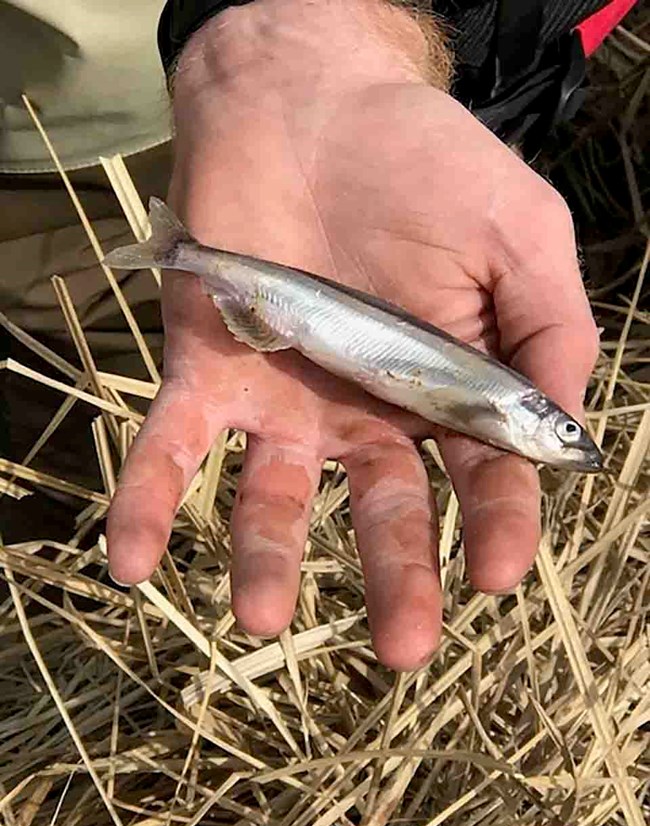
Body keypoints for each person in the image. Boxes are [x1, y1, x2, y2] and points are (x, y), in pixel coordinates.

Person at [0, 0, 635, 670]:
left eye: (570, 436)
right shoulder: (502, 403)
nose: (572, 441)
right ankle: (57, 576)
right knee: (83, 364)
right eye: (566, 431)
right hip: (71, 105)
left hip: (481, 68)